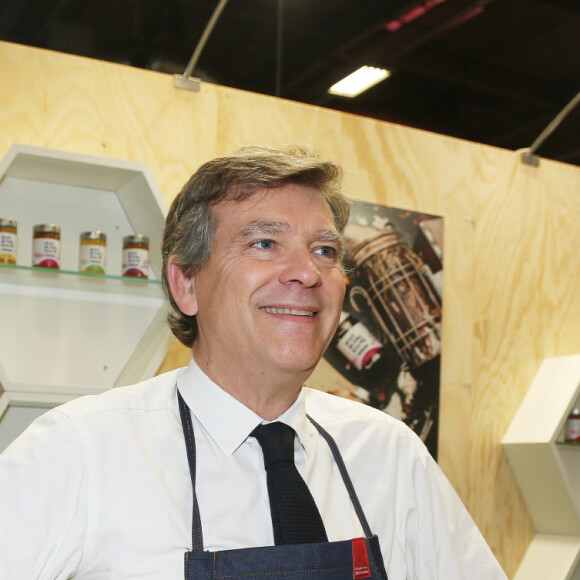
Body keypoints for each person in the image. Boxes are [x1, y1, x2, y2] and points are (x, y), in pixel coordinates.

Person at [0, 145, 508, 579]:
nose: (307, 273)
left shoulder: (390, 455)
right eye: (265, 243)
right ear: (186, 284)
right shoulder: (80, 450)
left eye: (325, 250)